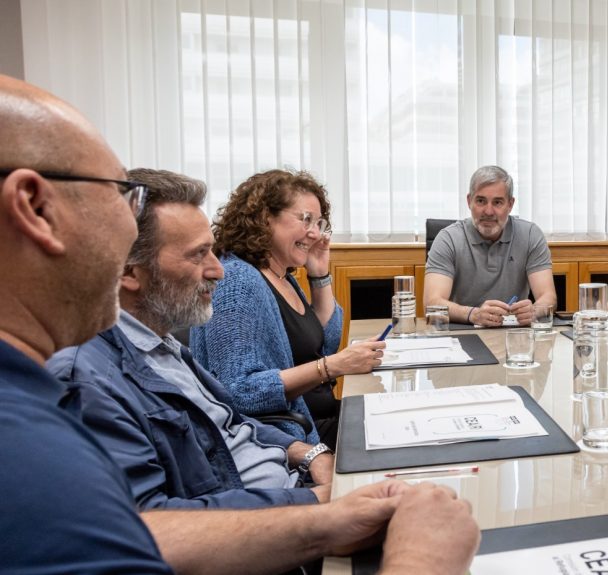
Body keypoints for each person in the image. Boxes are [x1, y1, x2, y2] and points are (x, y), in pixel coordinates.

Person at [0, 73, 478, 574]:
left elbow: (221, 431)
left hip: (291, 490)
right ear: (35, 207)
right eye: (120, 193)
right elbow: (148, 530)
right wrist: (418, 557)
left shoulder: (152, 347)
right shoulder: (57, 395)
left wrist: (316, 479)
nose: (217, 270)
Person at [48, 168, 338, 510]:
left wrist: (310, 455)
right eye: (198, 254)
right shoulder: (87, 380)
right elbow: (154, 524)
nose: (218, 270)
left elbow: (232, 420)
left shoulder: (162, 345)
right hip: (273, 519)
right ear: (128, 271)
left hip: (294, 482)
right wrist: (313, 503)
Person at [191, 169, 384, 445]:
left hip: (317, 420)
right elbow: (238, 390)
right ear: (265, 217)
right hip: (293, 435)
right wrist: (332, 367)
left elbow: (325, 344)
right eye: (306, 219)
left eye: (319, 223)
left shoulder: (282, 276)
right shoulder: (237, 280)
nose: (315, 233)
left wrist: (319, 274)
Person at [424, 165, 556, 327]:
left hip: (515, 335)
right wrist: (473, 314)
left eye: (498, 202)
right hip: (463, 331)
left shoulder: (530, 235)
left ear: (510, 204)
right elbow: (431, 304)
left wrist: (534, 310)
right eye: (480, 201)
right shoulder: (448, 239)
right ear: (469, 201)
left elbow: (548, 296)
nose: (488, 211)